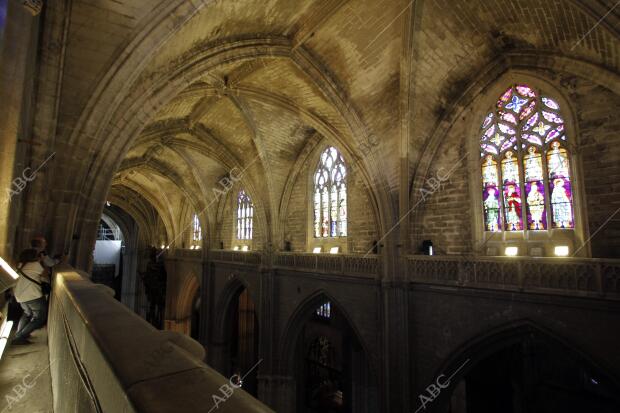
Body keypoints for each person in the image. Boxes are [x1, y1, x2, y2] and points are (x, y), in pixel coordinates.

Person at [11, 249, 49, 345]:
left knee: (27, 314)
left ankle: (19, 334)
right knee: (39, 318)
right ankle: (19, 337)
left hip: (20, 296)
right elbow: (46, 275)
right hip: (33, 295)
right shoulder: (35, 265)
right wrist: (42, 261)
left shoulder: (20, 265)